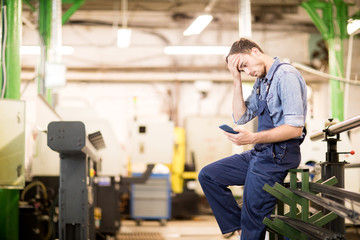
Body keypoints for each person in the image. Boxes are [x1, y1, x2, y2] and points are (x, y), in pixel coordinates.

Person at [198, 38, 307, 240]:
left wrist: (252, 137)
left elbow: (294, 129)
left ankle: (247, 227)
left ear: (255, 51)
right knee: (208, 175)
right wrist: (236, 79)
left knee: (252, 220)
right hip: (261, 153)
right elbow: (241, 116)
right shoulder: (262, 82)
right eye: (242, 70)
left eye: (245, 65)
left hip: (278, 157)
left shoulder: (286, 76)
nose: (247, 72)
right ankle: (239, 225)